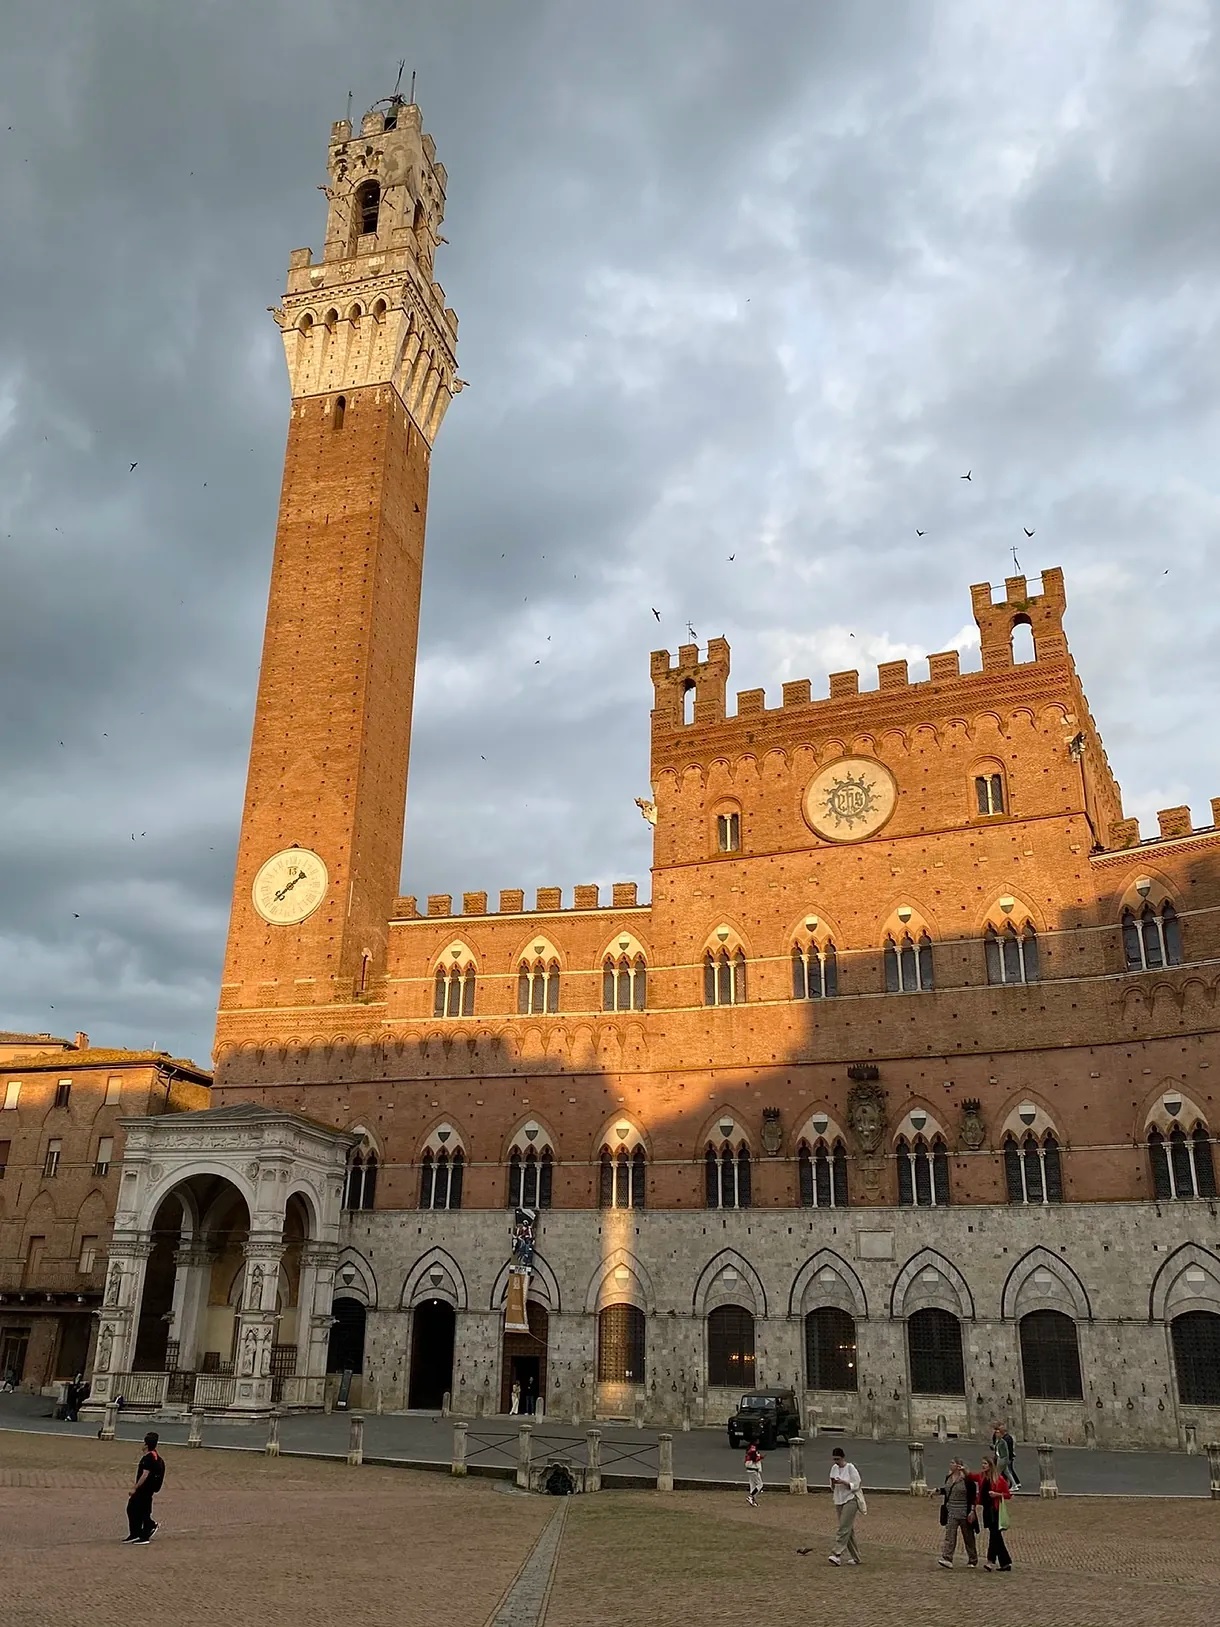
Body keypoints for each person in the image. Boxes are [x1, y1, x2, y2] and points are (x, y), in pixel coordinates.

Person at [935, 1458, 978, 1568]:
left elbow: (973, 1496)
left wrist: (972, 1510)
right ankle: (947, 1558)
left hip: (964, 1510)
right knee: (950, 1535)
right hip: (951, 1510)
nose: (951, 1465)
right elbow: (948, 1490)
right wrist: (938, 1491)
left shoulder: (967, 1480)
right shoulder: (949, 1478)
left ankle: (972, 1559)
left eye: (953, 1463)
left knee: (968, 1536)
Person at [123, 1431, 165, 1545]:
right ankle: (136, 1533)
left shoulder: (149, 1458)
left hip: (145, 1489)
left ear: (146, 1445)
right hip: (147, 1489)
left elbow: (145, 1474)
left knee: (140, 1510)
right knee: (133, 1508)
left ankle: (145, 1533)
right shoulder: (153, 1456)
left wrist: (135, 1488)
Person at [827, 1446, 863, 1565]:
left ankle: (837, 1553)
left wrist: (843, 1482)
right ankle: (856, 1557)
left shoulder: (850, 1468)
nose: (836, 1462)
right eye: (834, 1459)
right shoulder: (834, 1468)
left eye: (838, 1459)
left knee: (843, 1527)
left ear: (843, 1458)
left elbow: (856, 1485)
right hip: (839, 1500)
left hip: (850, 1499)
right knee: (848, 1529)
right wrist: (833, 1482)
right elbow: (832, 1487)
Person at [978, 1452, 1013, 1572]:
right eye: (982, 1463)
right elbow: (971, 1476)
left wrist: (997, 1494)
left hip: (995, 1510)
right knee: (996, 1536)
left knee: (994, 1535)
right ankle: (1006, 1562)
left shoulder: (999, 1479)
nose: (983, 1466)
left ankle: (990, 1561)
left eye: (985, 1464)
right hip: (987, 1510)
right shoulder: (982, 1477)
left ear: (990, 1465)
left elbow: (1008, 1495)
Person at [992, 1421, 1020, 1490]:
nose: (996, 1434)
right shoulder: (999, 1441)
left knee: (998, 1473)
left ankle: (996, 1486)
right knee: (1007, 1472)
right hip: (1001, 1458)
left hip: (1002, 1459)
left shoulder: (1003, 1441)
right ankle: (1014, 1484)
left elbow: (1006, 1451)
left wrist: (1007, 1459)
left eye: (997, 1433)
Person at [744, 1440, 764, 1507]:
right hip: (753, 1469)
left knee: (752, 1486)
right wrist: (760, 1457)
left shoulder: (750, 1449)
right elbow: (754, 1458)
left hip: (750, 1470)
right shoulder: (753, 1449)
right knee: (760, 1484)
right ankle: (751, 1496)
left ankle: (753, 1500)